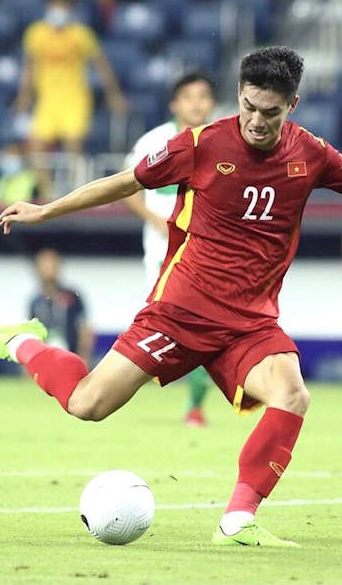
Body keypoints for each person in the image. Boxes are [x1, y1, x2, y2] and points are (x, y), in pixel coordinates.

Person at [0, 45, 342, 547]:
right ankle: (21, 342)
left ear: (292, 105)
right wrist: (46, 209)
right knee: (87, 404)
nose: (256, 121)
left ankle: (238, 520)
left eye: (270, 112)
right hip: (180, 311)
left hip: (251, 321)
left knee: (292, 394)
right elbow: (126, 182)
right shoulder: (200, 144)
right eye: (248, 107)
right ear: (239, 94)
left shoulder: (310, 153)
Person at [123, 71, 217, 426]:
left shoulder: (223, 140)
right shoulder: (154, 141)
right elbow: (125, 187)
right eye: (188, 96)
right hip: (163, 251)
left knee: (206, 326)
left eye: (202, 96)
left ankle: (194, 405)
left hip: (207, 252)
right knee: (162, 322)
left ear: (212, 103)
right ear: (174, 105)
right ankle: (124, 383)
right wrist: (152, 219)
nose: (196, 103)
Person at [13, 0, 127, 196]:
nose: (59, 11)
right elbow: (29, 66)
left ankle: (75, 193)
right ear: (48, 7)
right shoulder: (36, 33)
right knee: (35, 146)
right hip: (47, 99)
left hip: (75, 98)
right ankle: (48, 194)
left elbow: (101, 64)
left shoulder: (81, 34)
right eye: (55, 5)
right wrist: (23, 97)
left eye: (63, 6)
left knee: (73, 145)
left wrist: (114, 95)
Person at [28, 248, 95, 368]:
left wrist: (84, 357)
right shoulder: (35, 302)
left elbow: (84, 329)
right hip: (46, 362)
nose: (49, 268)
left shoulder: (72, 296)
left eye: (52, 264)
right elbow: (31, 335)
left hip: (72, 358)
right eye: (44, 264)